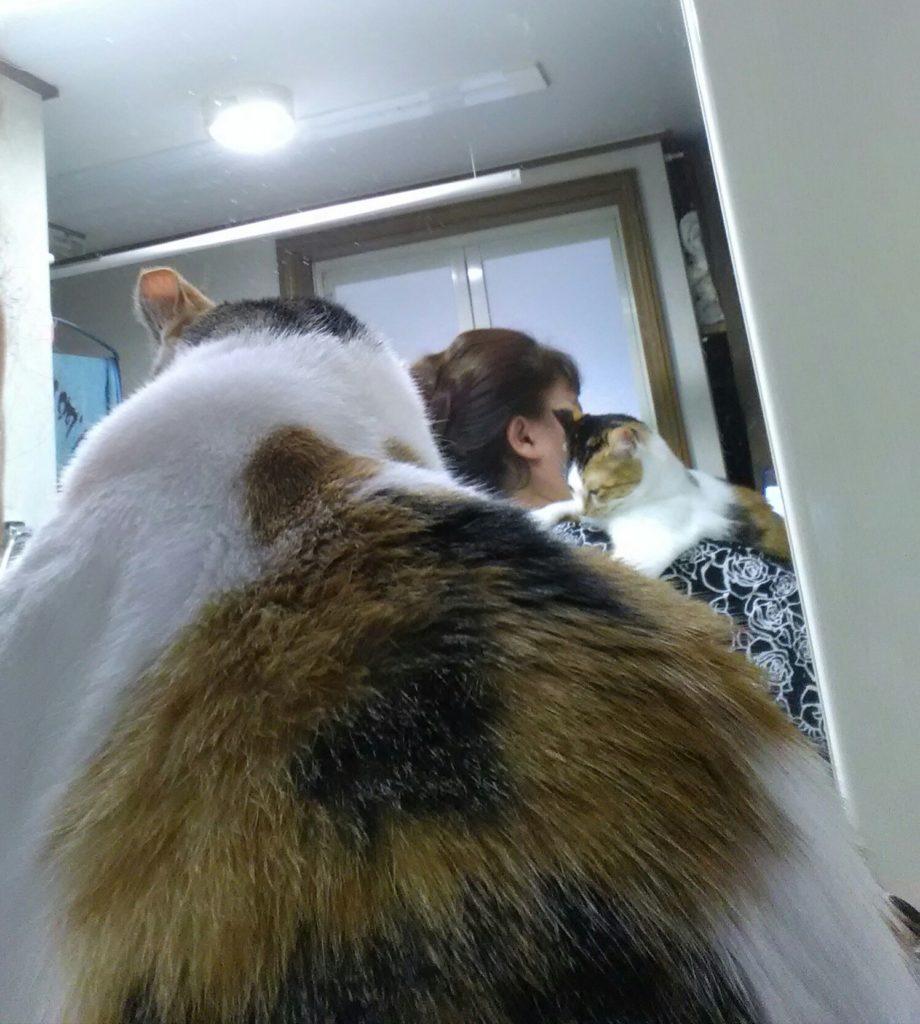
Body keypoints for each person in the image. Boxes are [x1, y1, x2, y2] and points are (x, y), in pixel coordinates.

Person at [413, 327, 826, 757]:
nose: (586, 424)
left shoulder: (491, 592)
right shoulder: (616, 556)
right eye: (571, 412)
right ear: (526, 439)